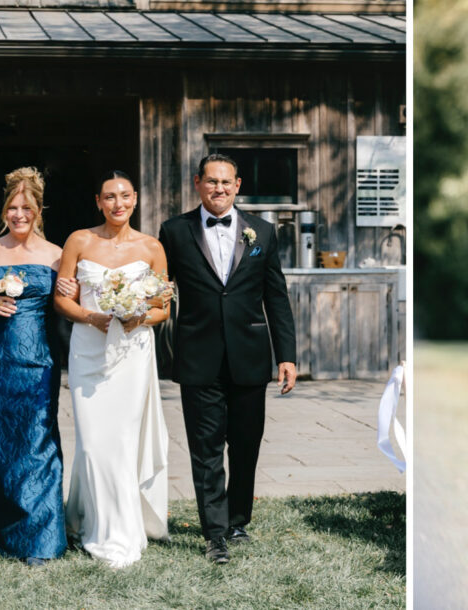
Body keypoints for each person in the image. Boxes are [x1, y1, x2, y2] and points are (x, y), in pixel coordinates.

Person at [158, 154, 297, 564]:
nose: (219, 189)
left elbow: (277, 297)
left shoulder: (263, 232)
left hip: (251, 357)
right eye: (211, 181)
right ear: (197, 183)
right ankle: (214, 534)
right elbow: (158, 285)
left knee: (246, 445)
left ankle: (237, 522)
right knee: (205, 449)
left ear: (237, 185)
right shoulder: (174, 231)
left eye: (226, 182)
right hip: (198, 356)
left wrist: (286, 355)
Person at [53, 170, 171, 568]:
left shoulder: (152, 247)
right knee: (91, 442)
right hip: (89, 349)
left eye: (124, 196)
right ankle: (92, 522)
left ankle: (120, 532)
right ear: (98, 202)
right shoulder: (79, 240)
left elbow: (163, 308)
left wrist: (140, 318)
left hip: (133, 354)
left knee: (121, 441)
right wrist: (89, 317)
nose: (117, 203)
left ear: (135, 199)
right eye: (109, 197)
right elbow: (61, 299)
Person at [0, 167, 66, 566]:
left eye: (27, 207)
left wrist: (70, 290)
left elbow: (68, 307)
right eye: (13, 207)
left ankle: (42, 537)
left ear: (39, 210)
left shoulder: (56, 255)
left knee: (39, 443)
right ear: (5, 209)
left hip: (38, 363)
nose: (19, 214)